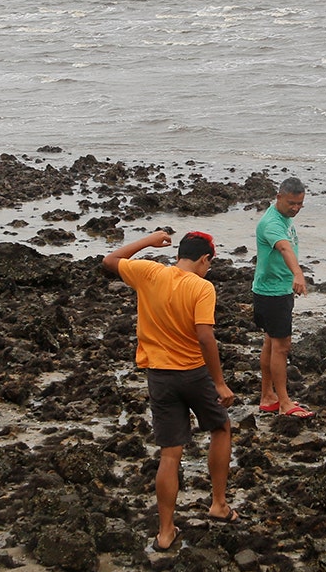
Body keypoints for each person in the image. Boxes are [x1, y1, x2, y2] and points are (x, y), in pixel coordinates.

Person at [102, 228, 237, 552]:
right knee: (221, 427)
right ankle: (218, 504)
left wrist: (149, 241)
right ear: (204, 259)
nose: (208, 269)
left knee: (170, 454)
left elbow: (110, 260)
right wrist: (219, 382)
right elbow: (205, 337)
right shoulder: (201, 287)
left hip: (159, 377)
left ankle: (165, 532)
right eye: (210, 264)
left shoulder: (148, 272)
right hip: (192, 374)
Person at [252, 177, 313, 418]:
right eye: (291, 203)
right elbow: (285, 248)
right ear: (278, 197)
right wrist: (298, 273)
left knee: (271, 342)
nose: (296, 208)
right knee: (281, 347)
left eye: (300, 204)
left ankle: (268, 396)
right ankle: (285, 403)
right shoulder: (271, 224)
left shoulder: (282, 216)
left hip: (272, 290)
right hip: (273, 293)